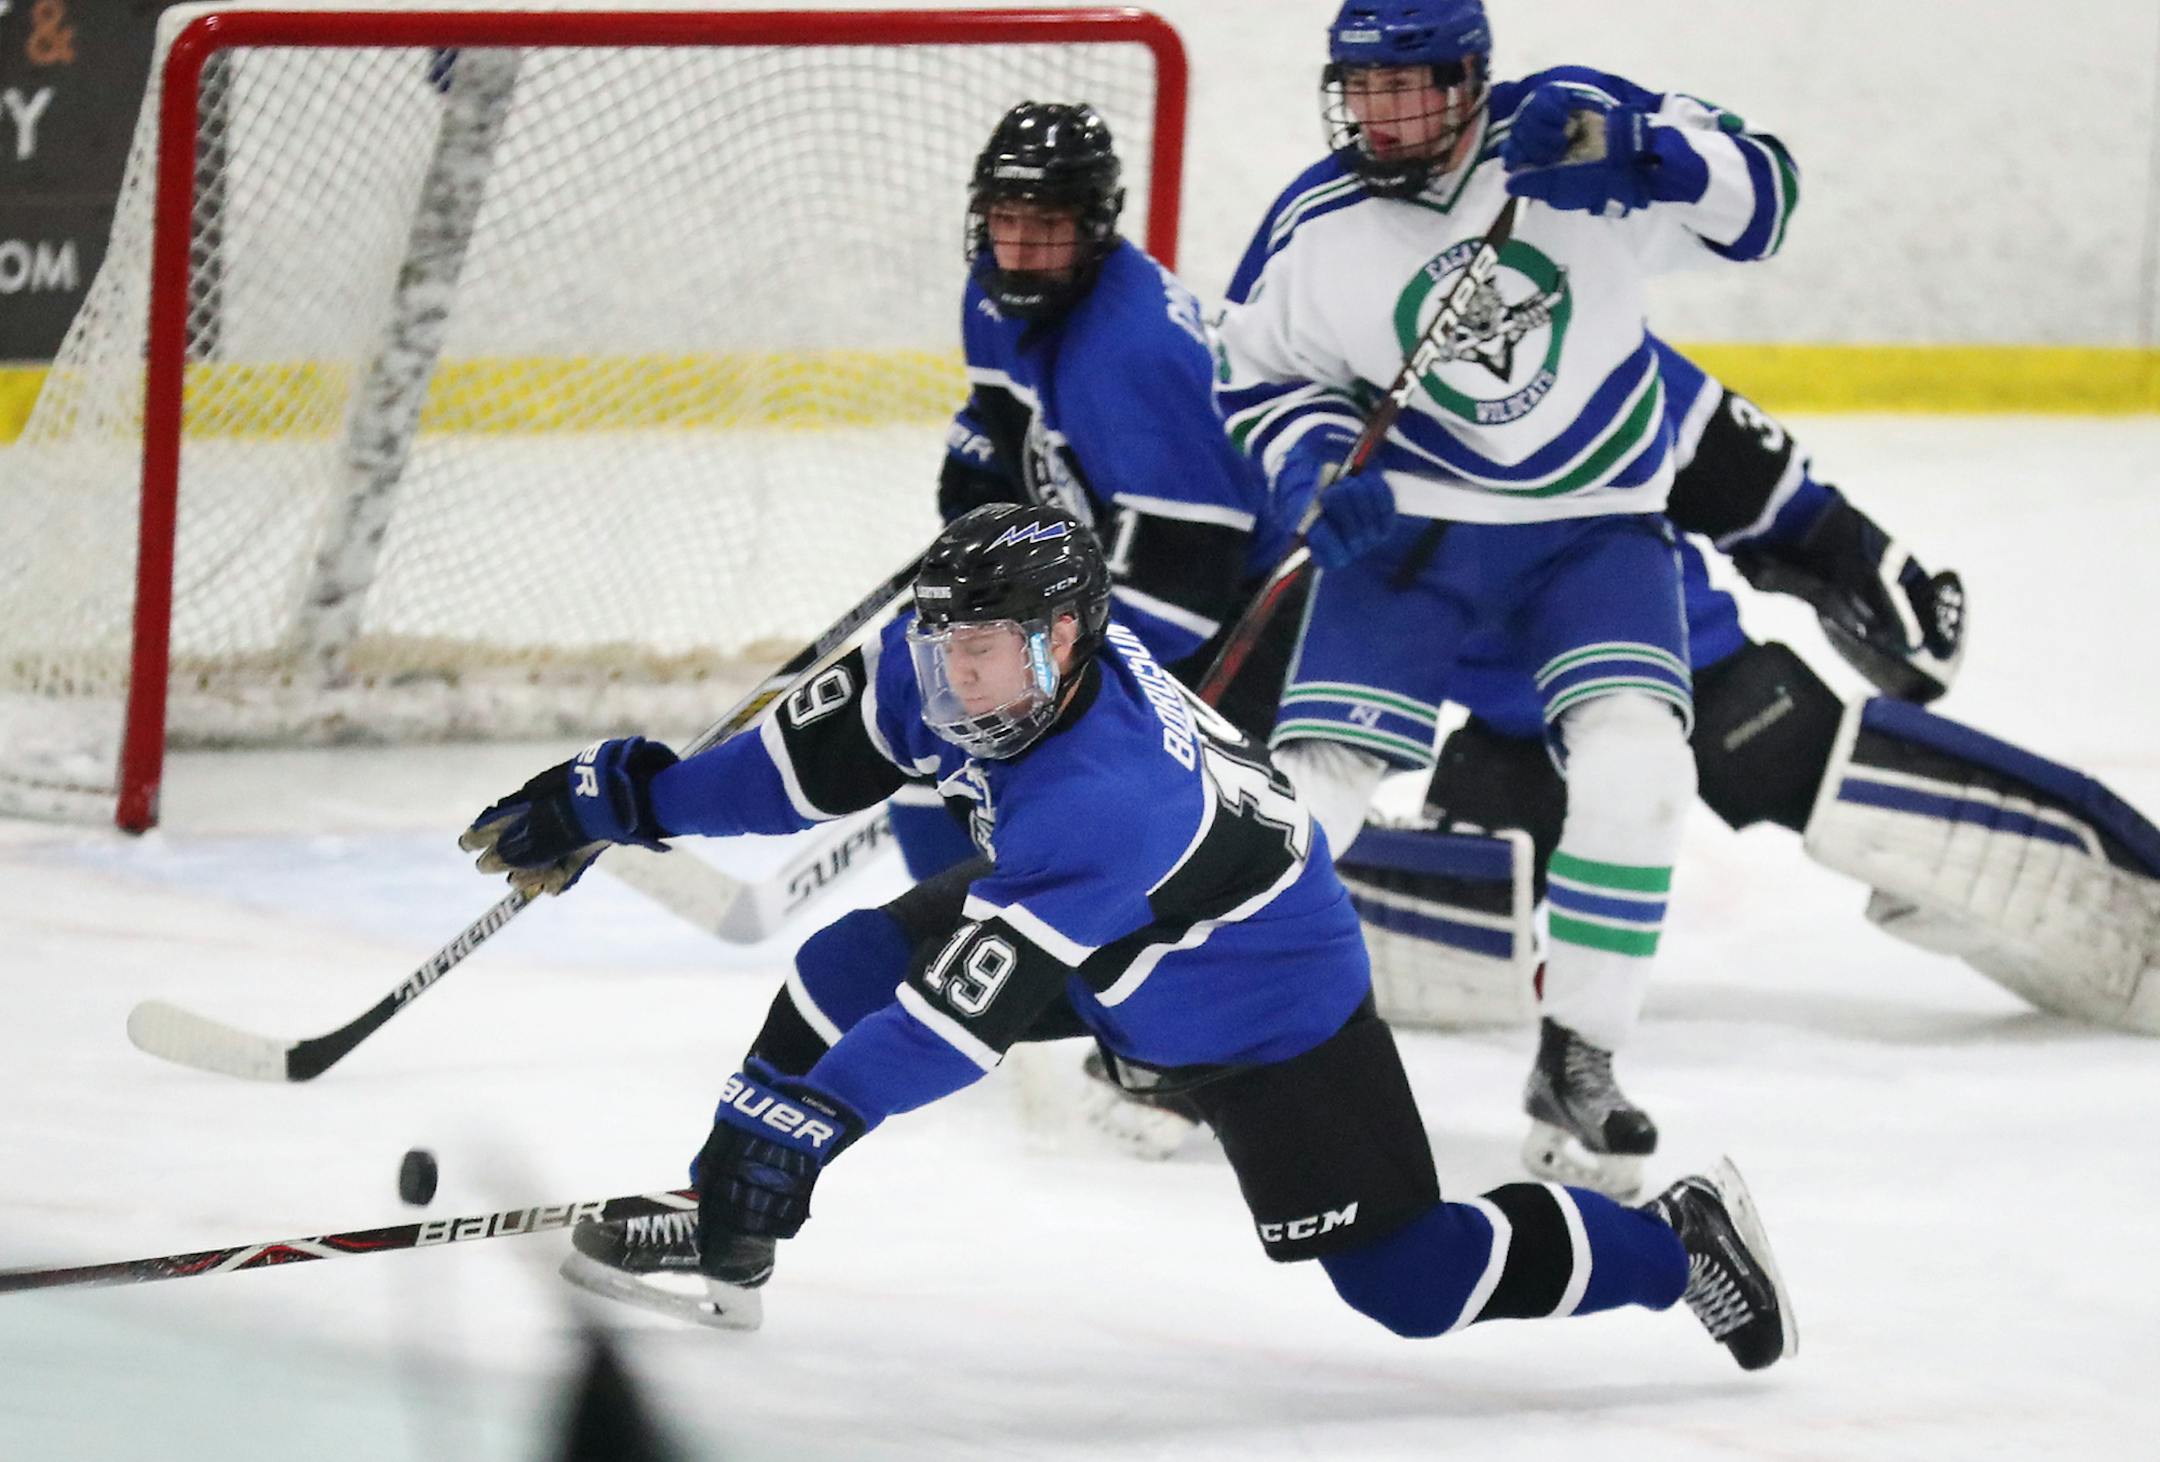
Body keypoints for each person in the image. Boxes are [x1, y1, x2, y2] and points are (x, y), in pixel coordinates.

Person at [459, 503, 1796, 1371]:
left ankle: (1680, 1240)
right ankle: (725, 1222)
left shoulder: (1109, 800)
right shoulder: (935, 669)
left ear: (1062, 638)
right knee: (840, 964)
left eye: (985, 650)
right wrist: (624, 798)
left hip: (1264, 1009)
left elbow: (949, 1030)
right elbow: (791, 775)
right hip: (1112, 946)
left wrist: (804, 1122)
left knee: (1407, 1281)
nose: (953, 675)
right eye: (944, 644)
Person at [1211, 0, 1799, 1195]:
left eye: (1408, 87)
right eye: (1359, 89)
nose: (1379, 115)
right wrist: (1320, 469)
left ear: (1472, 77)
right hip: (1415, 537)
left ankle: (1579, 1054)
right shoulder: (1316, 226)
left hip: (1596, 532)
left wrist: (1644, 151)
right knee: (1313, 798)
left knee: (1643, 776)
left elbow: (1768, 204)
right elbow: (1262, 379)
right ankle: (1194, 1025)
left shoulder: (1574, 131)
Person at [895, 98, 1385, 880]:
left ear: (1093, 228)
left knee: (1178, 832)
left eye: (1046, 226)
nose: (1018, 249)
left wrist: (1046, 678)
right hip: (1146, 576)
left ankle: (1281, 888)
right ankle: (985, 944)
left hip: (1254, 601)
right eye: (1004, 220)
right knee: (948, 750)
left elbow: (1184, 594)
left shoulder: (1136, 356)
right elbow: (998, 454)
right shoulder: (991, 294)